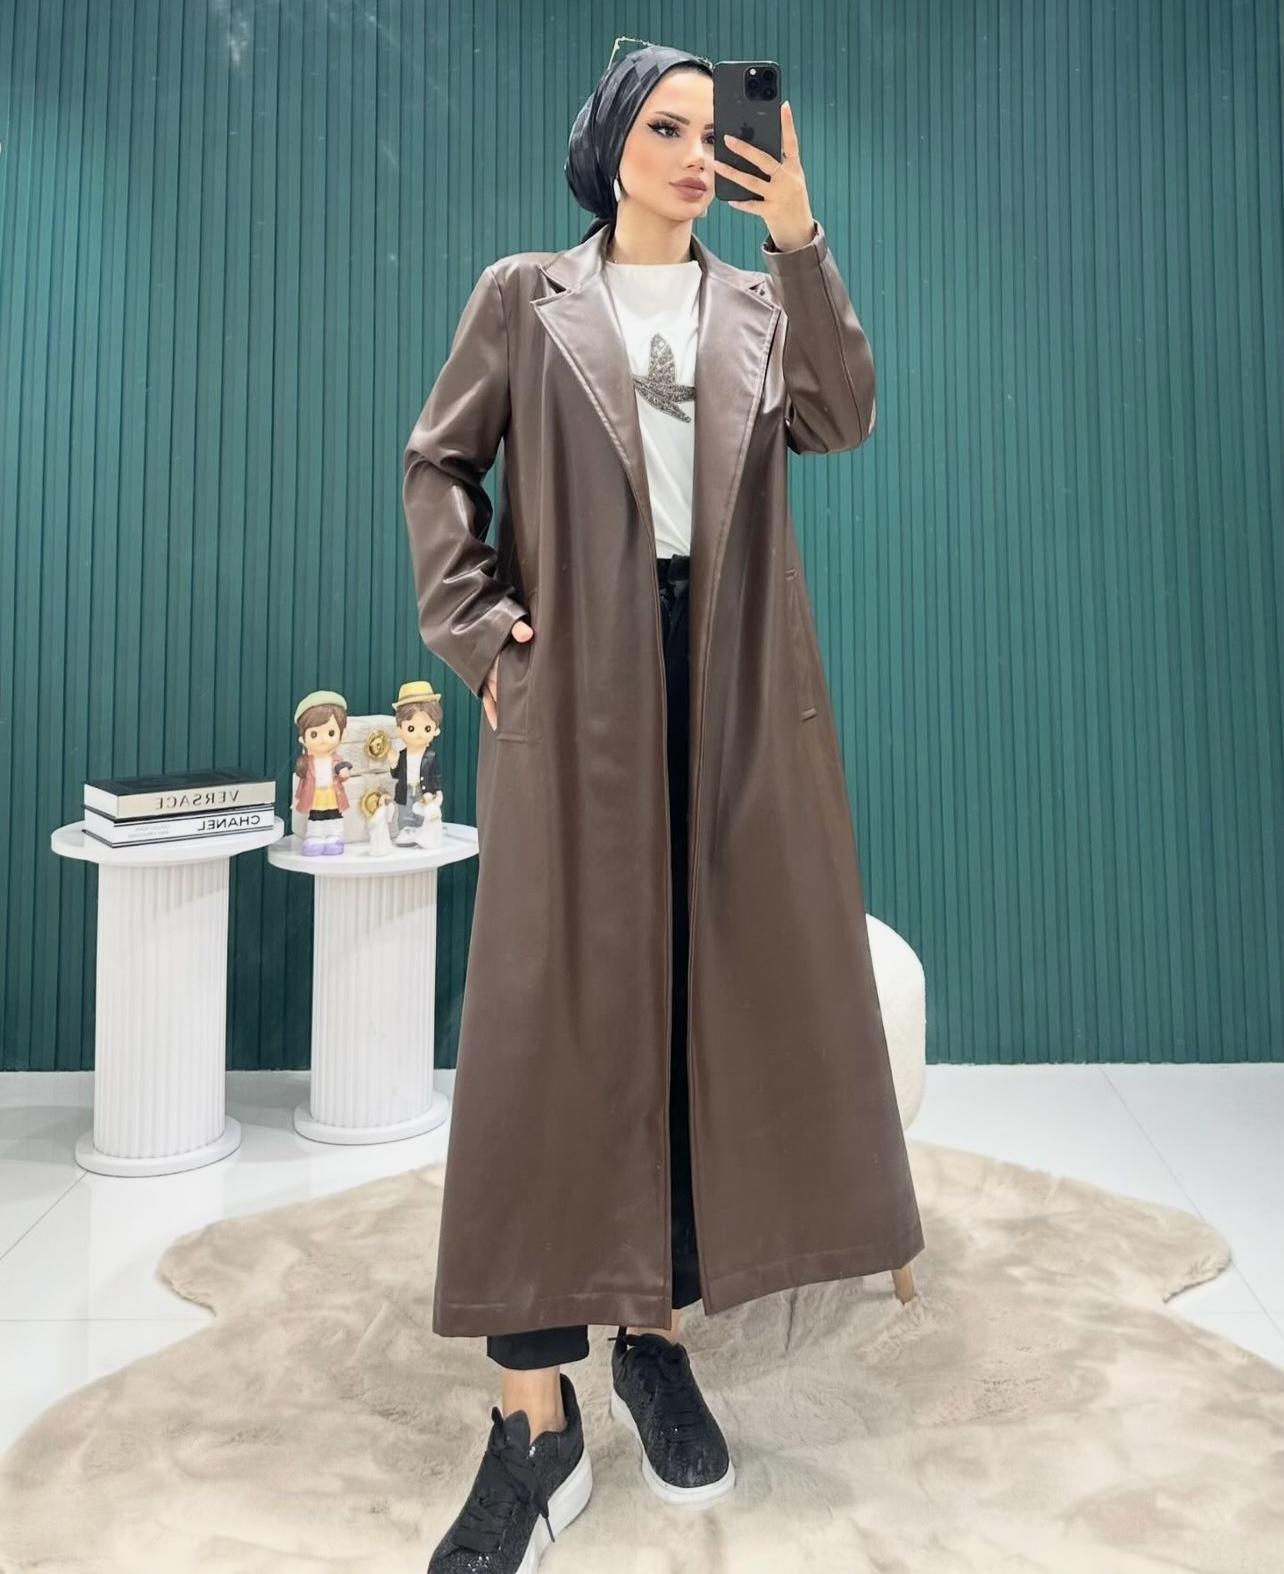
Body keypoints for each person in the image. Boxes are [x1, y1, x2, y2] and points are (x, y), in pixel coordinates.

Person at [405, 42, 923, 1574]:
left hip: (734, 680)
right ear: (610, 145)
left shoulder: (759, 302)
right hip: (580, 682)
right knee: (547, 1030)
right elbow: (441, 466)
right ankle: (532, 1418)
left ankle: (653, 1338)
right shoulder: (526, 296)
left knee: (705, 1013)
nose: (702, 153)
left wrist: (801, 236)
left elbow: (843, 415)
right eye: (672, 128)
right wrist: (484, 637)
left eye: (718, 132)